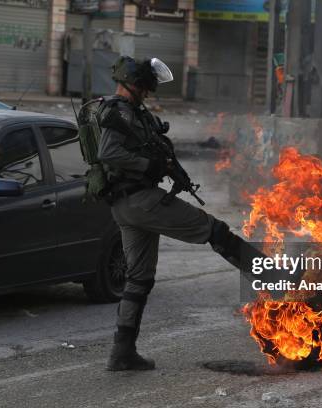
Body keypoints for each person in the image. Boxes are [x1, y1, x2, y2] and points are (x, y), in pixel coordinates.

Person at [97, 56, 258, 371]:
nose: (147, 93)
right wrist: (149, 166)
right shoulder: (119, 112)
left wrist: (165, 166)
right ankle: (269, 275)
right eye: (145, 87)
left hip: (127, 205)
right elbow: (108, 152)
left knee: (139, 279)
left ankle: (122, 353)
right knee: (214, 230)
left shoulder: (133, 113)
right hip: (140, 201)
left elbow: (151, 150)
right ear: (134, 83)